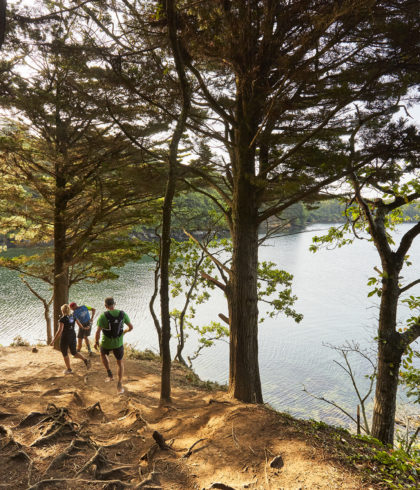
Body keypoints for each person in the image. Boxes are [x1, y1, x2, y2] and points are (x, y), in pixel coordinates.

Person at [94, 297, 133, 394]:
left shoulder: (103, 316)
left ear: (105, 306)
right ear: (114, 304)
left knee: (103, 355)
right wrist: (124, 332)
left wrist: (96, 342)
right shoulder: (122, 314)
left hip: (106, 343)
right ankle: (119, 383)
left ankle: (109, 373)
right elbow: (131, 327)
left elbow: (98, 331)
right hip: (118, 343)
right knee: (119, 362)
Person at [51, 304, 91, 374]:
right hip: (72, 336)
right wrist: (85, 328)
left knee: (65, 353)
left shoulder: (62, 319)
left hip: (65, 338)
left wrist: (53, 340)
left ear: (62, 311)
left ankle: (69, 369)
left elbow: (60, 331)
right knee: (74, 352)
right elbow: (80, 326)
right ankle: (86, 360)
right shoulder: (72, 317)